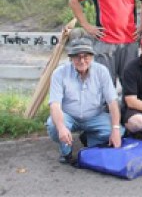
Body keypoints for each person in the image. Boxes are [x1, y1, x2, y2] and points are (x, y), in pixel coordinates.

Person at [46, 36, 122, 164]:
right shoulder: (59, 73)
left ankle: (89, 139)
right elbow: (55, 105)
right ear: (71, 57)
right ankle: (66, 152)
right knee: (53, 126)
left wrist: (115, 129)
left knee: (120, 130)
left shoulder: (102, 71)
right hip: (69, 116)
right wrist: (61, 127)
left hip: (95, 116)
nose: (82, 60)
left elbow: (112, 102)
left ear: (92, 56)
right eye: (77, 56)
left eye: (86, 56)